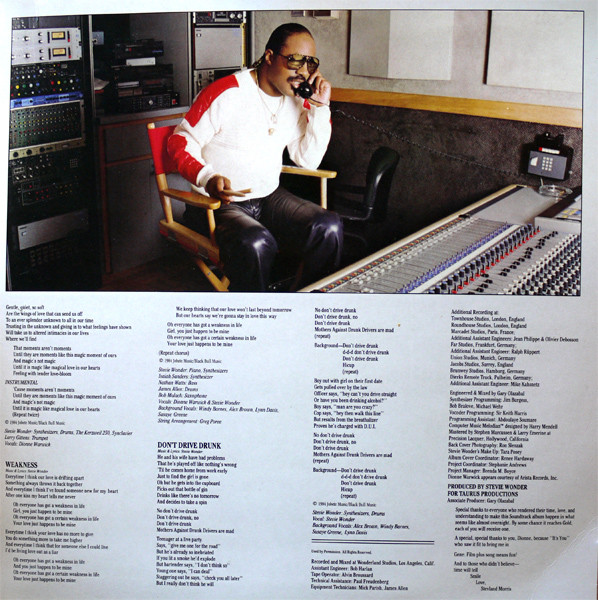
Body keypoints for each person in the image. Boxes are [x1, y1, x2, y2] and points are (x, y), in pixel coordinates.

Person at [168, 23, 343, 291]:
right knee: (256, 243)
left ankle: (306, 305)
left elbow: (307, 161)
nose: (303, 72)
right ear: (269, 56)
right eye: (295, 61)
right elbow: (180, 141)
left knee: (328, 226)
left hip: (268, 198)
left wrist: (320, 108)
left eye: (310, 63)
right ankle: (258, 314)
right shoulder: (227, 92)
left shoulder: (296, 100)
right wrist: (208, 177)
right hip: (217, 206)